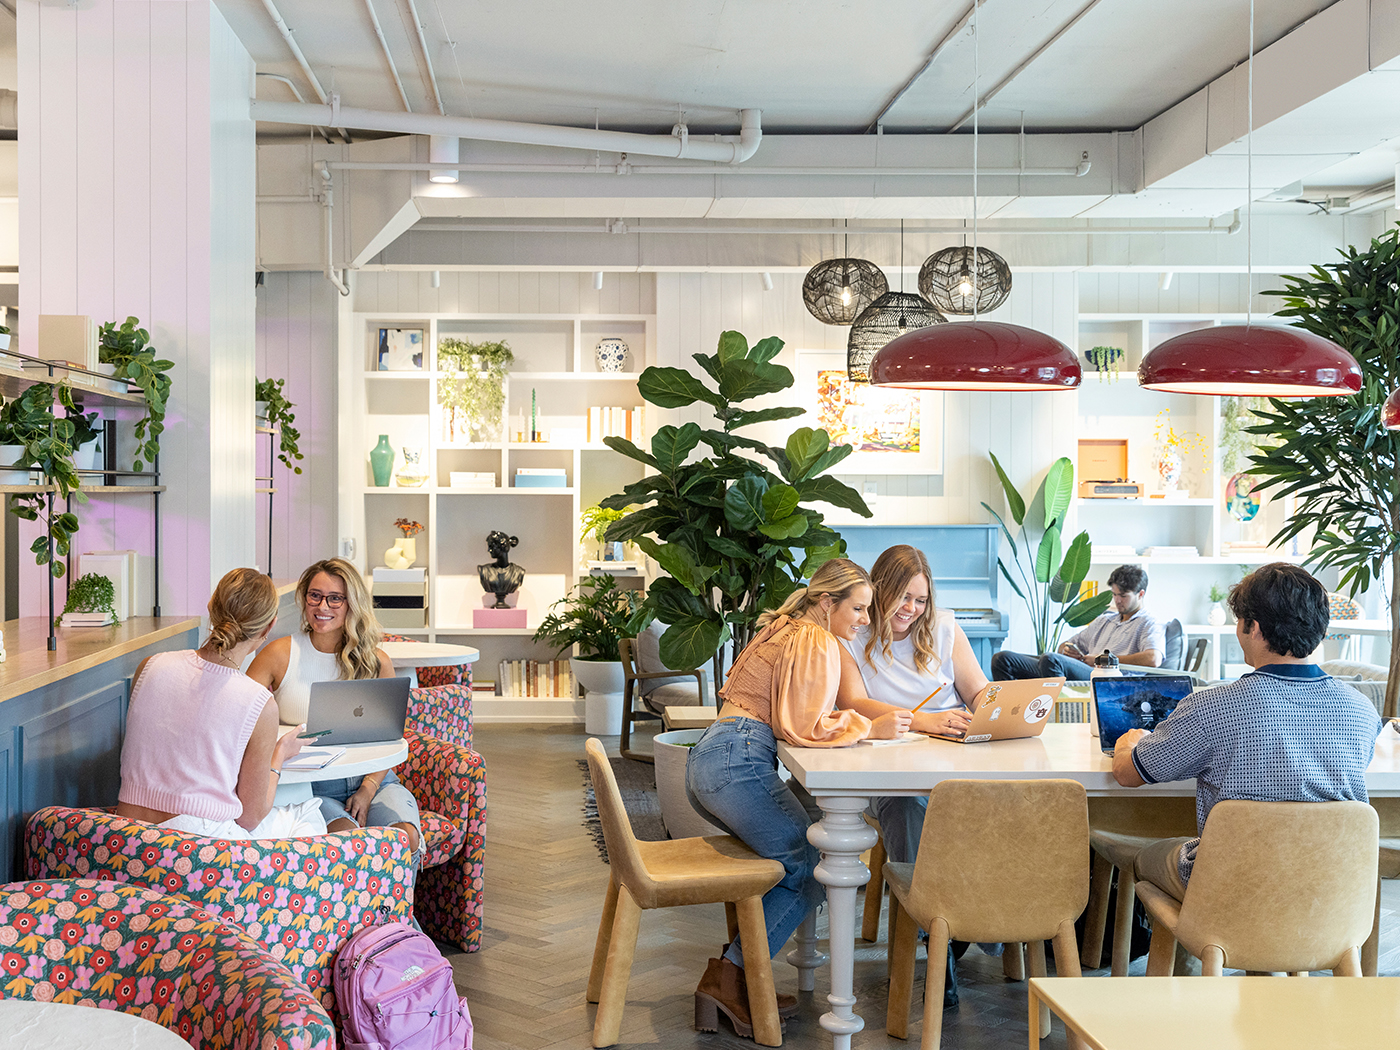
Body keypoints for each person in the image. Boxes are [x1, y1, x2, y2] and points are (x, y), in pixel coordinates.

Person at [685, 558, 910, 1038]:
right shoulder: (814, 637)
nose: (867, 620)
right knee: (809, 863)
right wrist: (872, 726)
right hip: (737, 762)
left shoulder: (785, 627)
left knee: (811, 840)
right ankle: (729, 979)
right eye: (860, 608)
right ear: (827, 603)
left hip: (719, 758)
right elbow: (803, 726)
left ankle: (743, 981)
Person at [1113, 563, 1382, 902]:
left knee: (1140, 855)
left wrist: (1129, 742)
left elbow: (1127, 773)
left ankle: (1192, 949)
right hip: (1328, 894)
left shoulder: (1211, 706)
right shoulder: (1362, 710)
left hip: (1232, 890)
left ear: (1252, 627)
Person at [833, 544, 996, 1003]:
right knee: (907, 806)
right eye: (903, 597)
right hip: (889, 768)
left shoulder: (942, 627)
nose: (911, 609)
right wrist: (921, 720)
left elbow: (977, 689)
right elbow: (853, 703)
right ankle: (935, 937)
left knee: (1006, 803)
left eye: (920, 600)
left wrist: (993, 710)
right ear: (880, 589)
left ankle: (975, 921)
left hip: (954, 756)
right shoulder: (855, 633)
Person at [117, 567, 326, 838]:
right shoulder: (258, 702)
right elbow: (251, 817)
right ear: (270, 625)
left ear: (210, 608)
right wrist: (279, 755)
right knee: (309, 812)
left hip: (127, 835)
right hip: (202, 848)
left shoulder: (150, 666)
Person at [248, 557, 423, 868]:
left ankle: (395, 916)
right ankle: (357, 916)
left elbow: (390, 736)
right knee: (346, 842)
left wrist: (368, 789)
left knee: (404, 838)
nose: (322, 606)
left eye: (334, 598)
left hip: (375, 779)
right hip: (312, 786)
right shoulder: (279, 654)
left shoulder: (376, 660)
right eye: (314, 595)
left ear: (351, 603)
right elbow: (241, 714)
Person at [991, 563, 1165, 681]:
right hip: (1084, 672)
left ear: (1141, 594)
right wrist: (1067, 650)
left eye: (1123, 596)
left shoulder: (1148, 623)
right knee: (1003, 659)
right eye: (1114, 594)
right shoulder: (1104, 620)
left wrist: (1101, 660)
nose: (1117, 600)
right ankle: (1011, 716)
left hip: (1109, 679)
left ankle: (1053, 719)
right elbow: (1064, 646)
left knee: (1051, 660)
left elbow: (1153, 659)